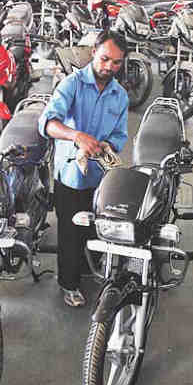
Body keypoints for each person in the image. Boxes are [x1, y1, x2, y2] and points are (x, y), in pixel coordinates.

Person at [39, 30, 129, 307]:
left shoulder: (120, 95)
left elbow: (119, 135)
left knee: (96, 228)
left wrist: (106, 146)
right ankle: (69, 284)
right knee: (70, 233)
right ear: (93, 53)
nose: (109, 67)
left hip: (101, 177)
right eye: (105, 59)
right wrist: (76, 136)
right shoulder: (72, 84)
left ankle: (90, 271)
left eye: (116, 62)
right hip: (70, 176)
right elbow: (48, 123)